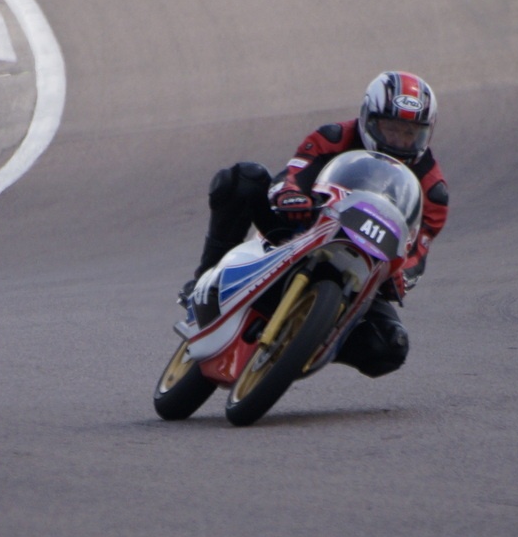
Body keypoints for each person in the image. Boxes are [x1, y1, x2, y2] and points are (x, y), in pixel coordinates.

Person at [183, 71, 449, 377]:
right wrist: (290, 194)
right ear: (369, 119)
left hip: (365, 268)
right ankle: (204, 281)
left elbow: (418, 251)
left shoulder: (433, 190)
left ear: (426, 134)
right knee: (242, 179)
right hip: (302, 228)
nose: (399, 141)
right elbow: (294, 173)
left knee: (391, 345)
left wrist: (402, 275)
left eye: (410, 133)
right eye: (391, 129)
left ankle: (307, 340)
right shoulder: (334, 136)